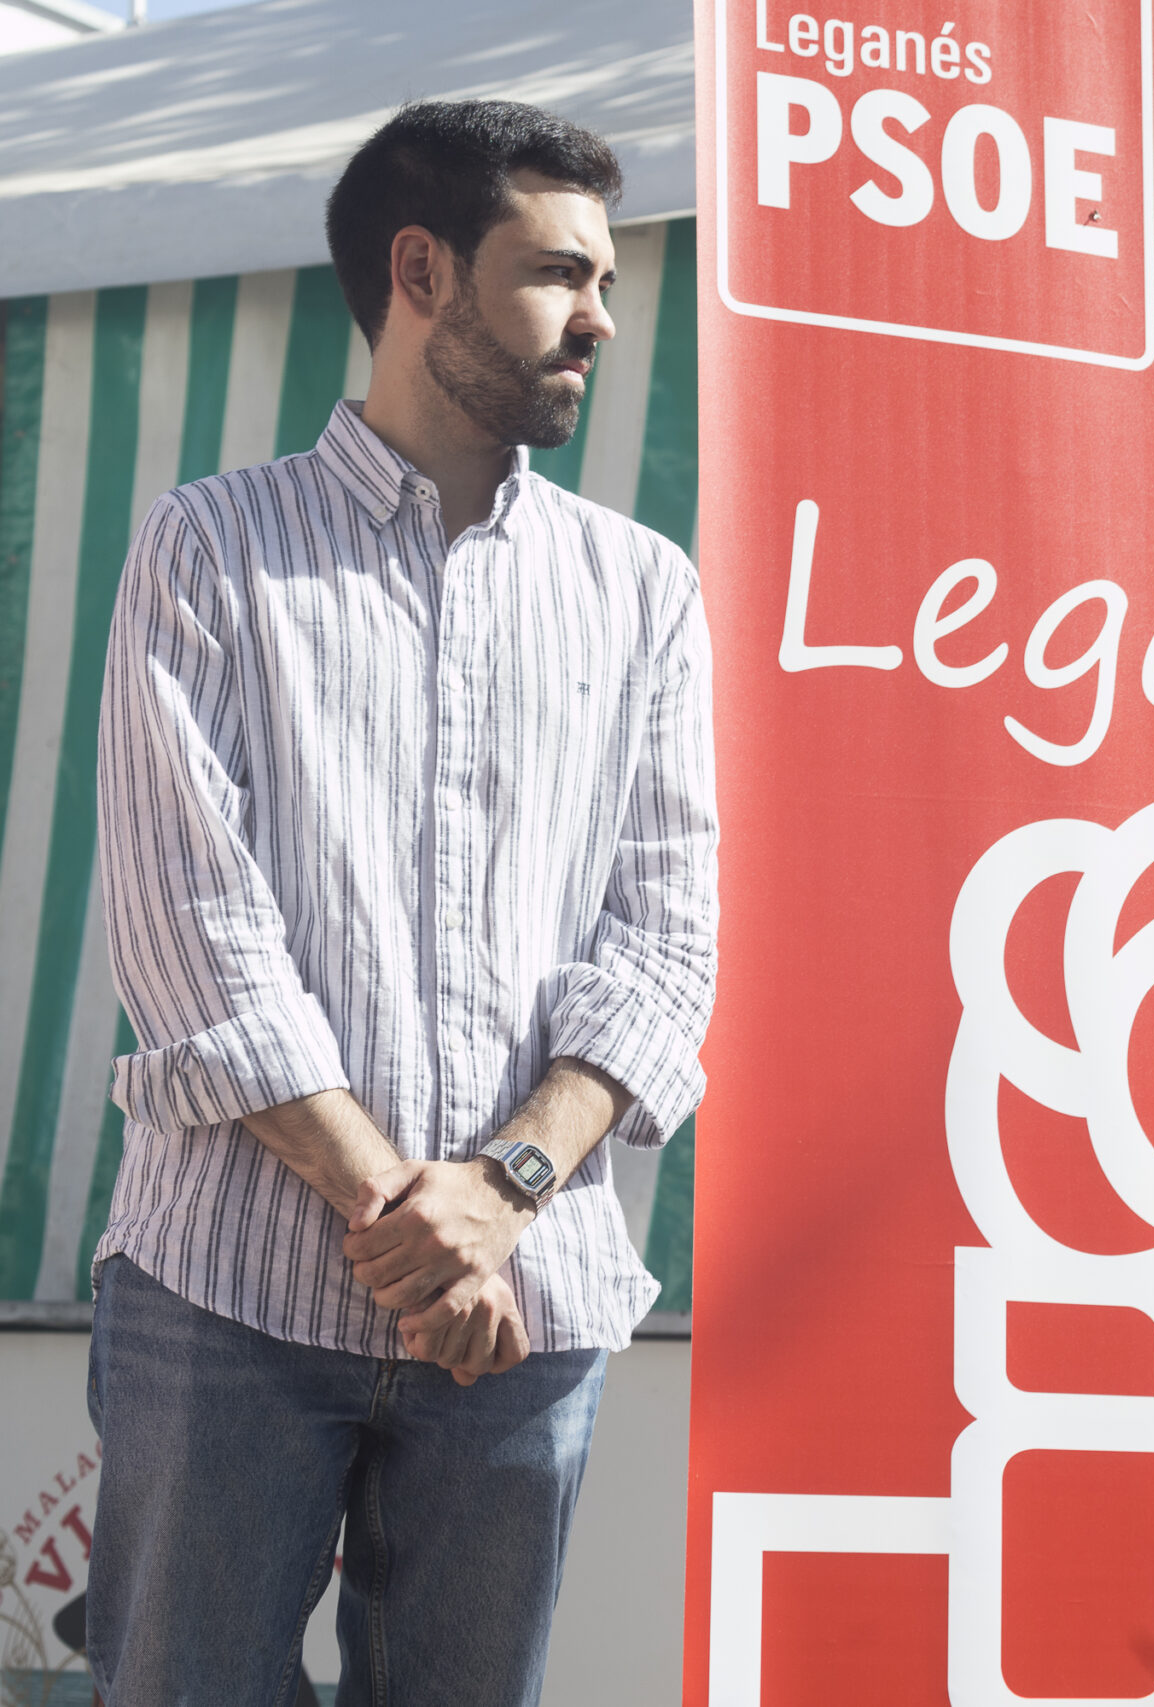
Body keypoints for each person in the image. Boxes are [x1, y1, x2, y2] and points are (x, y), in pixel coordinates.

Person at [83, 100, 717, 1702]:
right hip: (230, 1299)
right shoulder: (209, 549)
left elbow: (669, 938)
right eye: (561, 274)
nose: (601, 319)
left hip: (529, 1313)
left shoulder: (643, 590)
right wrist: (412, 1225)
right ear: (420, 270)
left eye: (608, 281)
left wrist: (498, 1194)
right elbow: (189, 930)